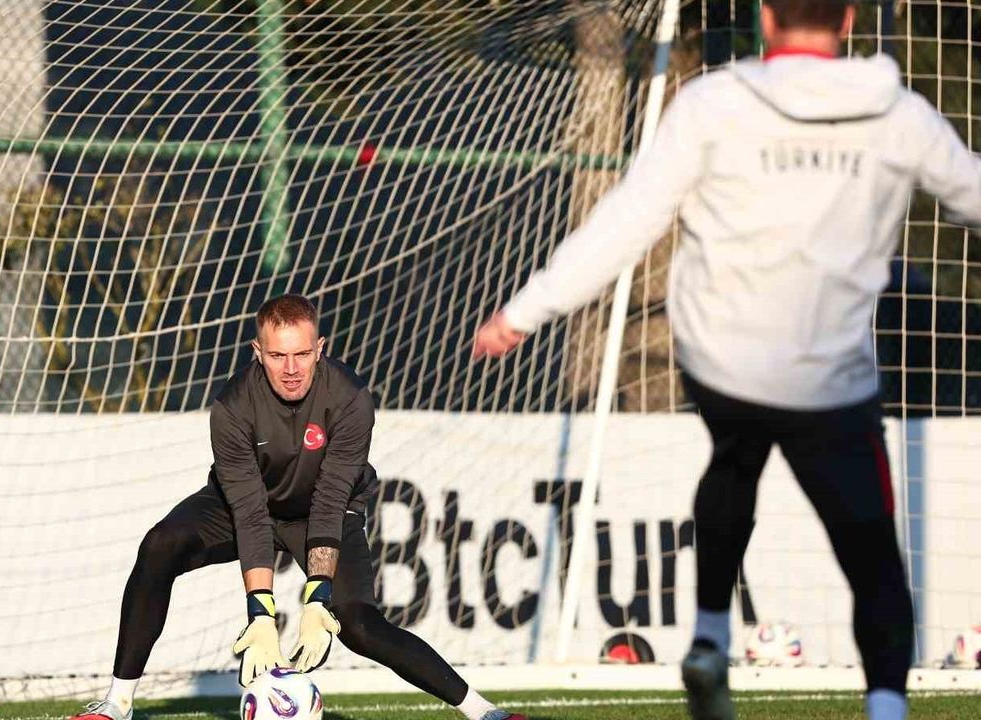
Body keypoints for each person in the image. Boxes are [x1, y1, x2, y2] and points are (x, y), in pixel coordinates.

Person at [472, 1, 981, 719]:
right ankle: (888, 706)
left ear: (768, 18)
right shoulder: (897, 114)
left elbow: (628, 219)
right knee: (871, 553)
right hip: (828, 380)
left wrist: (527, 310)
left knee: (733, 461)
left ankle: (710, 634)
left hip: (725, 362)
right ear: (849, 21)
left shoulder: (713, 102)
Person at [73, 294, 525, 720]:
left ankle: (485, 711)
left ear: (320, 348)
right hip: (246, 504)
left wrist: (318, 597)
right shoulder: (232, 407)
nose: (291, 369)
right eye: (277, 356)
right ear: (257, 352)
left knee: (359, 626)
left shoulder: (350, 399)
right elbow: (249, 512)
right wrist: (261, 613)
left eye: (302, 354)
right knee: (160, 546)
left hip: (323, 510)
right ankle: (117, 704)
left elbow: (330, 499)